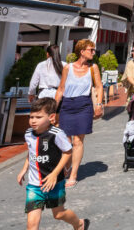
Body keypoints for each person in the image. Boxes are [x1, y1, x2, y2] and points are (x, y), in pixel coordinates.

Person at [17, 98, 89, 230]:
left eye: (38, 117)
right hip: (34, 185)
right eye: (31, 116)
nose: (33, 120)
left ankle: (79, 224)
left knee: (59, 214)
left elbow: (68, 152)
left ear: (51, 117)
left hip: (55, 183)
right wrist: (24, 168)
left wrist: (55, 174)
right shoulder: (28, 134)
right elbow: (31, 152)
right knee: (31, 224)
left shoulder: (56, 134)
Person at [55, 39, 103, 188]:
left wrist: (99, 105)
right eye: (91, 50)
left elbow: (99, 86)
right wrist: (53, 109)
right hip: (67, 105)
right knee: (65, 140)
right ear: (82, 51)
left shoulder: (93, 68)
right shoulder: (67, 68)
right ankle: (66, 167)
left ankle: (73, 174)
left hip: (84, 105)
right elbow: (61, 89)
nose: (93, 52)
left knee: (78, 141)